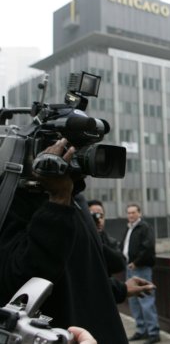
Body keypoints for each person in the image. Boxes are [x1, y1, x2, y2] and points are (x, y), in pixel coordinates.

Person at [0, 139, 128, 343]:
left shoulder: (76, 199)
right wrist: (58, 200)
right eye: (64, 148)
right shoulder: (12, 200)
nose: (73, 155)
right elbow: (20, 287)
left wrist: (123, 289)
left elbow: (85, 275)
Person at [122, 203, 161, 343]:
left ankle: (153, 332)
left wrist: (136, 262)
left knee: (146, 300)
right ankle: (141, 330)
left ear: (139, 213)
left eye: (133, 212)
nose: (130, 215)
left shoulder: (144, 227)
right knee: (133, 301)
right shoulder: (130, 228)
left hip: (141, 268)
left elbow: (148, 247)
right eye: (129, 213)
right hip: (130, 267)